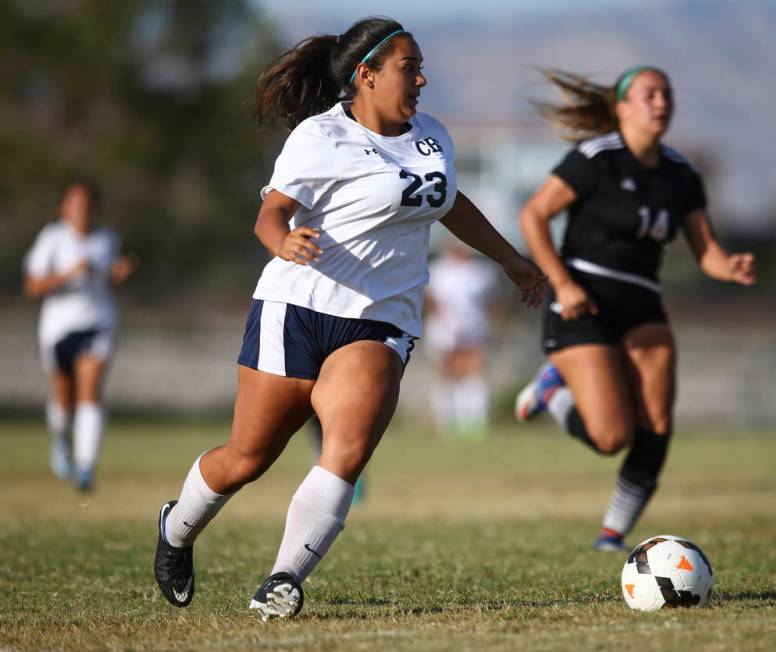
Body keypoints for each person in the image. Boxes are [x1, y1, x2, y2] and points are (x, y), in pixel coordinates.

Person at [153, 17, 546, 620]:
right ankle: (176, 530)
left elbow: (447, 203)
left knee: (347, 448)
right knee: (248, 458)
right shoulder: (321, 137)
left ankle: (281, 581)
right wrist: (282, 242)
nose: (421, 77)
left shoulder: (434, 136)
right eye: (407, 67)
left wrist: (511, 260)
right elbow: (271, 213)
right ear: (366, 75)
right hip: (299, 309)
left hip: (382, 321)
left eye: (419, 65)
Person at [514, 67, 756, 551]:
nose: (660, 102)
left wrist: (729, 266)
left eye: (666, 93)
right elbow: (533, 215)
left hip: (642, 304)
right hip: (583, 301)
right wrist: (561, 281)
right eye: (648, 94)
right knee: (610, 437)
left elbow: (706, 251)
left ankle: (612, 534)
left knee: (657, 423)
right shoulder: (595, 158)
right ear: (622, 108)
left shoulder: (681, 173)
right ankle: (553, 392)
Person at [23, 179, 138, 491]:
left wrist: (119, 274)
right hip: (58, 328)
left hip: (98, 323)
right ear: (64, 208)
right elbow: (32, 287)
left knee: (90, 389)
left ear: (95, 209)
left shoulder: (107, 239)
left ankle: (86, 466)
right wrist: (69, 273)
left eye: (87, 205)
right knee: (64, 399)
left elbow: (109, 282)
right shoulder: (52, 238)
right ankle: (61, 439)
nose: (81, 211)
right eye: (74, 204)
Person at [425, 238, 500, 440]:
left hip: (474, 327)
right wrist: (443, 321)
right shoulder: (438, 269)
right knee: (445, 374)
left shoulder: (482, 271)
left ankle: (474, 424)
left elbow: (491, 300)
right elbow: (430, 299)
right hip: (444, 328)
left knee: (473, 373)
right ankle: (447, 425)